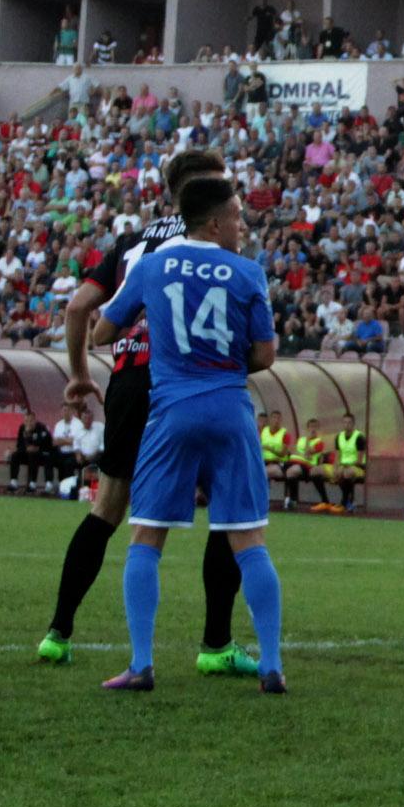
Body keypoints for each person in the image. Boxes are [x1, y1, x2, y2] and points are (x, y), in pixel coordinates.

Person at [38, 149, 256, 677]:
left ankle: (58, 632)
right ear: (207, 194)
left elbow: (77, 307)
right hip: (187, 379)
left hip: (130, 380)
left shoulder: (132, 243)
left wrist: (79, 374)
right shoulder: (210, 243)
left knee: (109, 507)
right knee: (230, 508)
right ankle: (216, 644)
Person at [89, 175, 285, 694]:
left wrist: (164, 335)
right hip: (229, 407)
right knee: (250, 541)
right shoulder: (248, 273)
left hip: (171, 410)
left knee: (146, 537)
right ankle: (271, 665)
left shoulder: (152, 266)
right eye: (238, 216)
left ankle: (140, 664)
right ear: (215, 221)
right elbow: (265, 356)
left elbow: (103, 330)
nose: (242, 226)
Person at [315, 413, 365, 515]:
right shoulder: (339, 436)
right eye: (345, 422)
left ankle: (344, 503)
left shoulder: (359, 437)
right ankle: (325, 501)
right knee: (315, 471)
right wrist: (335, 468)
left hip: (357, 467)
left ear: (353, 424)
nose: (347, 425)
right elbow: (337, 457)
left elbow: (359, 460)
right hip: (342, 465)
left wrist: (344, 466)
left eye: (349, 422)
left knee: (346, 473)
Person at [7, 411, 56, 494]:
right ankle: (13, 482)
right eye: (26, 421)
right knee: (15, 455)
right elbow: (20, 445)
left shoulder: (41, 428)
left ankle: (33, 483)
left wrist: (32, 443)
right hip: (27, 453)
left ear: (34, 420)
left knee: (34, 455)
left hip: (42, 454)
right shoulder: (22, 428)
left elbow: (44, 444)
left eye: (30, 421)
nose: (28, 423)